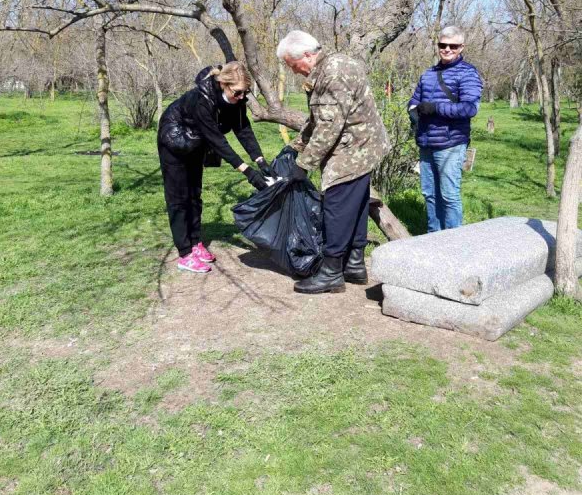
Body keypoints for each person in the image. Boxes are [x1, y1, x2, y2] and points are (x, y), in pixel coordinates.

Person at [277, 30, 389, 294]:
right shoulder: (331, 65)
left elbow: (329, 126)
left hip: (354, 148)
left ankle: (331, 273)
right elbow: (318, 117)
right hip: (364, 144)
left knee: (336, 205)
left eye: (294, 66)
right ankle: (354, 264)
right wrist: (295, 147)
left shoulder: (333, 73)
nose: (294, 72)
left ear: (307, 55)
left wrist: (304, 165)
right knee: (357, 203)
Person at [158, 61, 272, 272]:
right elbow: (217, 141)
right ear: (223, 84)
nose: (241, 98)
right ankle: (185, 253)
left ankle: (194, 242)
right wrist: (248, 172)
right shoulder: (202, 100)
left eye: (244, 93)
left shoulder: (236, 100)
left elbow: (242, 129)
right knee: (178, 197)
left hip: (195, 141)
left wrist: (260, 161)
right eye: (237, 93)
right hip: (174, 140)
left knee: (194, 193)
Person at [408, 26, 483, 233]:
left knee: (449, 195)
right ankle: (434, 238)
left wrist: (435, 108)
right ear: (438, 45)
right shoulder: (428, 74)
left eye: (453, 46)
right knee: (429, 194)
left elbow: (470, 108)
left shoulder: (468, 73)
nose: (447, 49)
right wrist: (413, 111)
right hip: (426, 142)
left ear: (461, 47)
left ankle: (453, 242)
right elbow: (414, 100)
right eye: (443, 45)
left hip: (451, 144)